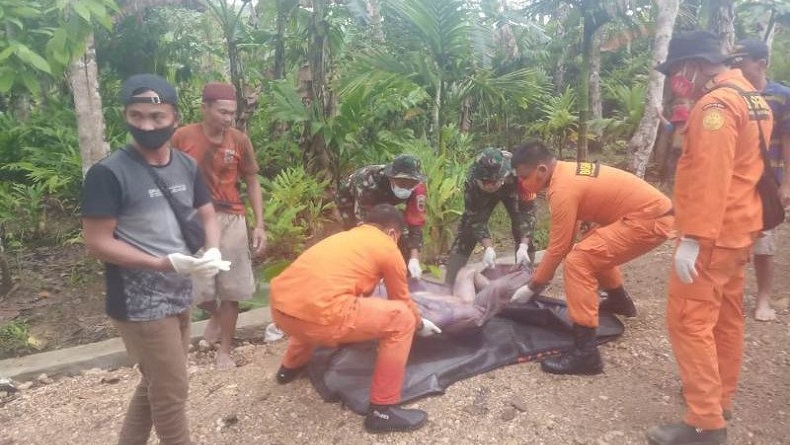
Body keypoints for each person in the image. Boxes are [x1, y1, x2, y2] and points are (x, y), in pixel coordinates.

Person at [81, 74, 228, 444]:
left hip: (179, 290)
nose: (147, 125)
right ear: (125, 115)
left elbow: (206, 211)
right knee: (172, 392)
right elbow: (97, 242)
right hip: (139, 301)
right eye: (137, 115)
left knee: (156, 383)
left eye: (156, 117)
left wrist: (211, 250)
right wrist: (163, 263)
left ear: (174, 117)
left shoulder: (184, 165)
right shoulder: (108, 173)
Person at [648, 30, 772, 445]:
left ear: (693, 66)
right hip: (740, 229)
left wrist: (693, 237)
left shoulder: (715, 106)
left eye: (676, 72)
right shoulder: (753, 97)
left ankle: (706, 423)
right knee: (725, 319)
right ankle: (721, 399)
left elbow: (710, 175)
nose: (675, 81)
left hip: (715, 234)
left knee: (689, 321)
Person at [270, 204, 441, 433]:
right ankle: (382, 410)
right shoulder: (388, 248)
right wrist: (419, 323)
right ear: (393, 233)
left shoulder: (345, 238)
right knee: (402, 320)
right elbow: (402, 301)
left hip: (281, 310)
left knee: (316, 304)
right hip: (321, 317)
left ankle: (288, 370)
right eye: (398, 238)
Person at [509, 141, 674, 376]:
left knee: (579, 260)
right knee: (589, 247)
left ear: (542, 170)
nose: (522, 184)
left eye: (524, 177)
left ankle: (586, 353)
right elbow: (567, 235)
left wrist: (533, 286)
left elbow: (558, 248)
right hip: (652, 213)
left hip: (649, 219)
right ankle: (619, 301)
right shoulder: (566, 173)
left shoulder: (562, 189)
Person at [171, 82, 267, 369]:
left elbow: (251, 180)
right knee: (197, 289)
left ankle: (225, 350)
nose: (228, 118)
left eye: (232, 113)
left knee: (232, 289)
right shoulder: (182, 137)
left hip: (231, 217)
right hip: (194, 218)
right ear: (205, 108)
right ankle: (214, 315)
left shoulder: (238, 140)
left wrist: (259, 224)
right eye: (222, 112)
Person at [729, 38, 790, 321]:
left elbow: (788, 142)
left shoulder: (781, 96)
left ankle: (763, 299)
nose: (738, 69)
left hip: (767, 182)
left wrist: (786, 183)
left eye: (742, 63)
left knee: (764, 243)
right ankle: (733, 295)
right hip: (737, 181)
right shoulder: (732, 94)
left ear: (761, 63)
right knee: (733, 241)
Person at [444, 147, 536, 285]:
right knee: (467, 230)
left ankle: (524, 281)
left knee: (522, 230)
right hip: (481, 197)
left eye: (493, 182)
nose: (489, 186)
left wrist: (523, 246)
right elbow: (475, 218)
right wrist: (488, 248)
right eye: (485, 182)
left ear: (503, 176)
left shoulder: (521, 175)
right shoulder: (472, 180)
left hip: (512, 189)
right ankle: (451, 282)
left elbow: (527, 214)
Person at [335, 155, 427, 278]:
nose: (407, 187)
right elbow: (365, 225)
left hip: (388, 201)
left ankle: (399, 275)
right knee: (357, 236)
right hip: (350, 199)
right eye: (402, 182)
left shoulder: (417, 188)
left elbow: (415, 223)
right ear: (391, 178)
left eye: (411, 183)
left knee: (401, 238)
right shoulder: (367, 181)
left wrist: (414, 259)